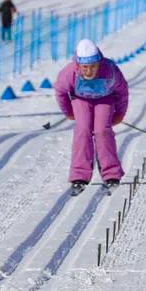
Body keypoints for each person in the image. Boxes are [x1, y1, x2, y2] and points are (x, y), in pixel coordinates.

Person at [55, 40, 128, 190]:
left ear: (99, 63)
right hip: (81, 100)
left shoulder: (110, 70)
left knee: (102, 131)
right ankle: (80, 175)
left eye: (93, 67)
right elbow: (60, 92)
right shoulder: (70, 73)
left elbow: (122, 91)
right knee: (83, 130)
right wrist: (68, 112)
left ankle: (111, 173)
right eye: (85, 67)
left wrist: (120, 112)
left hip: (105, 99)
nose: (89, 71)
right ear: (79, 65)